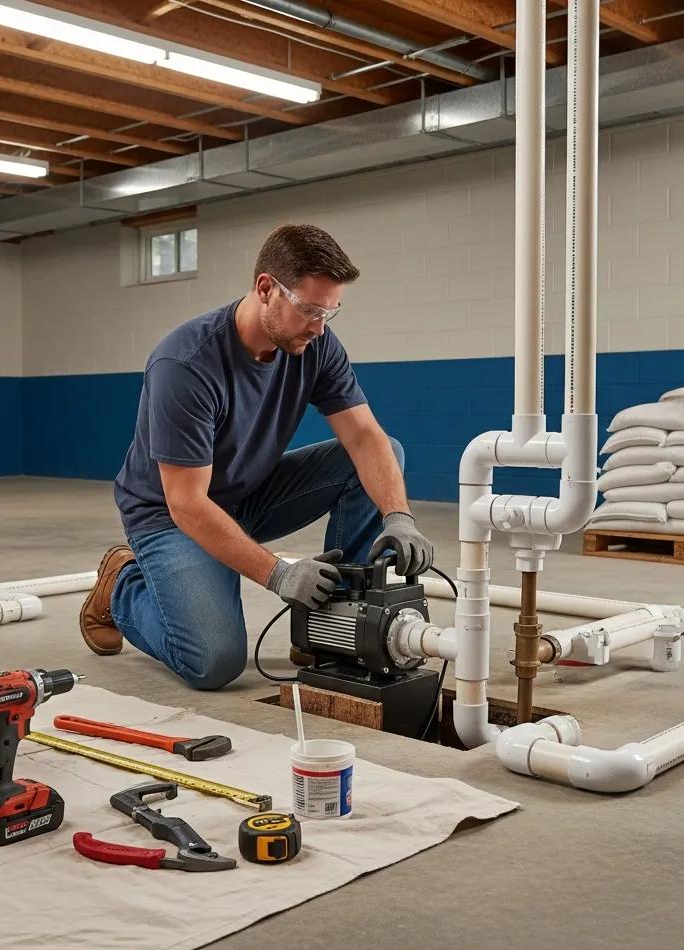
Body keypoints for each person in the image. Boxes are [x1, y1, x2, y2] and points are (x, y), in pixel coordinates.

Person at [79, 223, 434, 690]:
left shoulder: (316, 344)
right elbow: (187, 503)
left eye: (330, 312)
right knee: (214, 662)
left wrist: (398, 516)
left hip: (249, 493)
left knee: (385, 451)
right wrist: (278, 573)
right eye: (309, 309)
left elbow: (366, 437)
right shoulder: (185, 364)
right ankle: (121, 585)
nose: (319, 326)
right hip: (170, 516)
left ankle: (334, 628)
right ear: (266, 288)